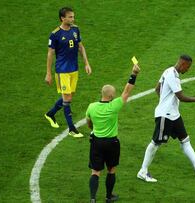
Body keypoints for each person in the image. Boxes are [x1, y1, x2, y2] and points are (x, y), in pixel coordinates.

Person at [137, 55, 195, 182]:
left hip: (174, 115)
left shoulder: (167, 71)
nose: (188, 70)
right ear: (183, 64)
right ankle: (143, 171)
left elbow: (157, 89)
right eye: (188, 67)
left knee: (185, 140)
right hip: (165, 116)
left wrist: (164, 101)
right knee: (156, 143)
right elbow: (181, 97)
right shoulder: (172, 76)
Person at [86, 64, 140, 202]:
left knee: (95, 172)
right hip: (112, 143)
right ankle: (108, 197)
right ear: (110, 96)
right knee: (111, 170)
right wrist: (134, 74)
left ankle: (92, 199)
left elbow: (88, 122)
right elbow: (127, 91)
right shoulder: (114, 105)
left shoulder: (92, 107)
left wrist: (93, 127)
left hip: (96, 142)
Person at [44, 7, 92, 137]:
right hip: (62, 71)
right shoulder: (55, 34)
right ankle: (72, 128)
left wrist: (86, 63)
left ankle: (50, 114)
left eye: (73, 16)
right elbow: (50, 54)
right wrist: (48, 73)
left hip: (74, 69)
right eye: (70, 17)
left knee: (69, 97)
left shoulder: (75, 30)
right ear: (62, 18)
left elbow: (81, 47)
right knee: (66, 99)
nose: (72, 19)